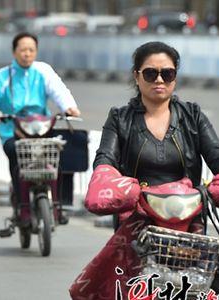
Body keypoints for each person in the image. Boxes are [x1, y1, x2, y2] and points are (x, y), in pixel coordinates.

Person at [69, 41, 219, 298]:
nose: (159, 79)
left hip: (189, 222)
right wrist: (106, 180)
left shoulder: (193, 115)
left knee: (199, 288)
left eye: (167, 73)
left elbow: (216, 156)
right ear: (136, 76)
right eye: (150, 73)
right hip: (137, 220)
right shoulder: (120, 118)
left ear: (175, 77)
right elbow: (105, 159)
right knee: (128, 289)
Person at [0, 32, 81, 230]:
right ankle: (23, 208)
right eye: (23, 50)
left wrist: (69, 108)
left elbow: (59, 91)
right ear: (14, 52)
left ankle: (59, 205)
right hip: (12, 132)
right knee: (16, 159)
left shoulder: (43, 71)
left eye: (31, 50)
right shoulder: (1, 76)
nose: (27, 54)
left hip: (42, 129)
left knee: (61, 155)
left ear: (36, 51)